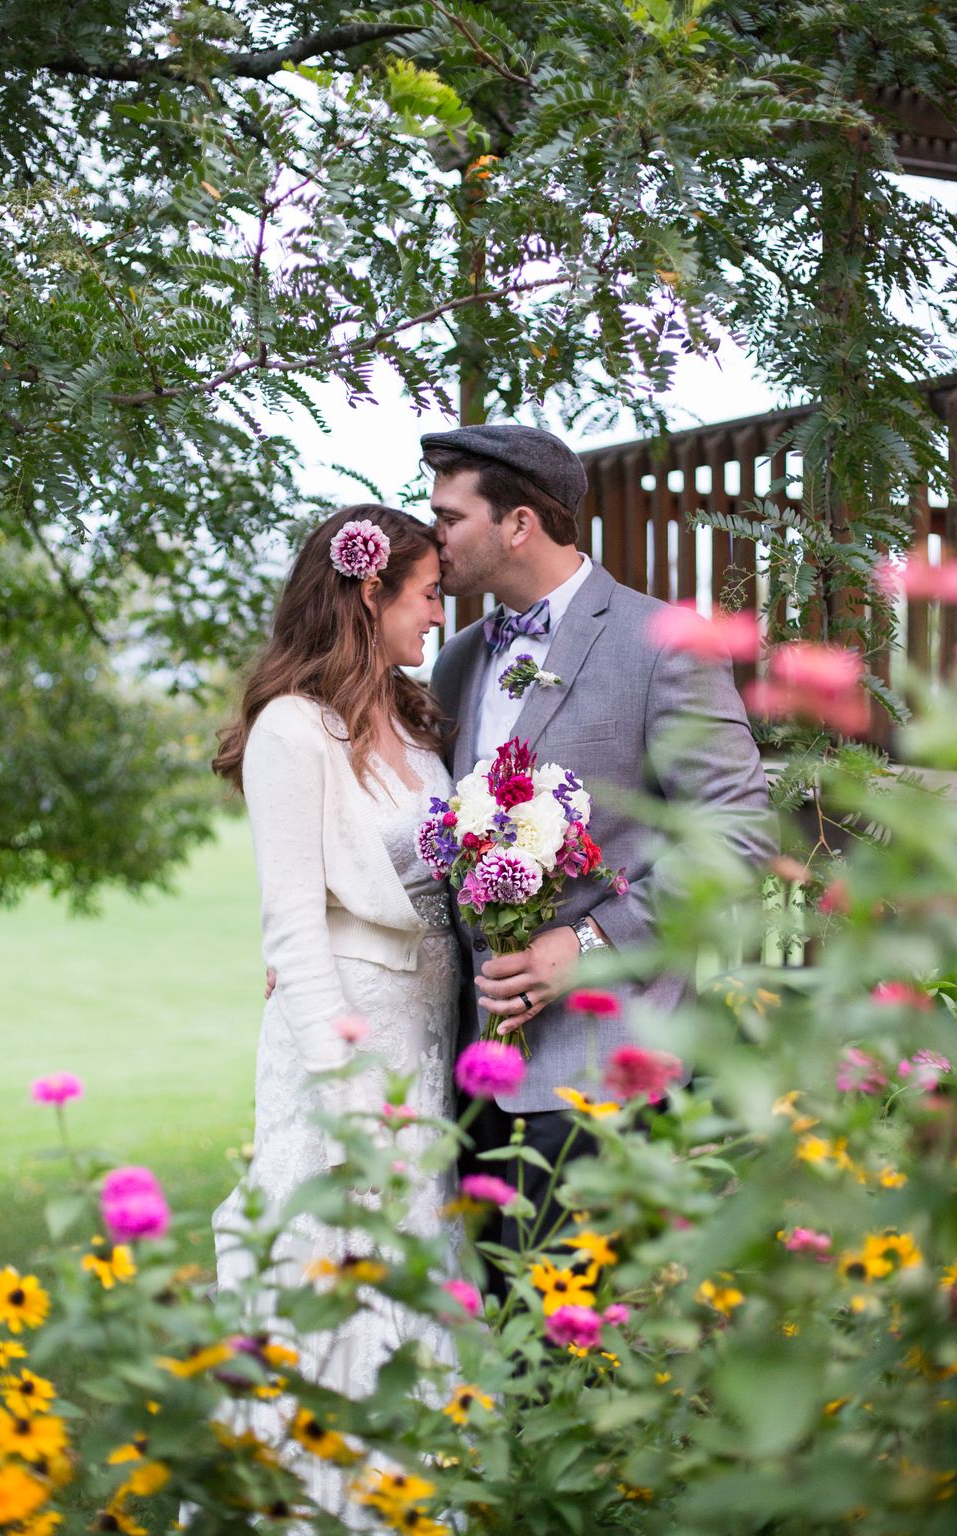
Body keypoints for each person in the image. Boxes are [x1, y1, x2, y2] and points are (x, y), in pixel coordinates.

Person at [421, 424, 779, 1280]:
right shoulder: (461, 658)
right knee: (512, 1339)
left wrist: (585, 943)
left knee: (597, 1354)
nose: (433, 535)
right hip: (475, 1073)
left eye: (448, 516)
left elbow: (740, 834)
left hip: (607, 1072)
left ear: (517, 525)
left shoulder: (663, 643)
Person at [210, 506, 459, 1472]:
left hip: (425, 1041)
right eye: (429, 595)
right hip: (347, 1054)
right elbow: (293, 932)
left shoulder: (410, 714)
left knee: (415, 1271)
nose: (438, 618)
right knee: (337, 1279)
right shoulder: (291, 730)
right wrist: (347, 1090)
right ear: (369, 590)